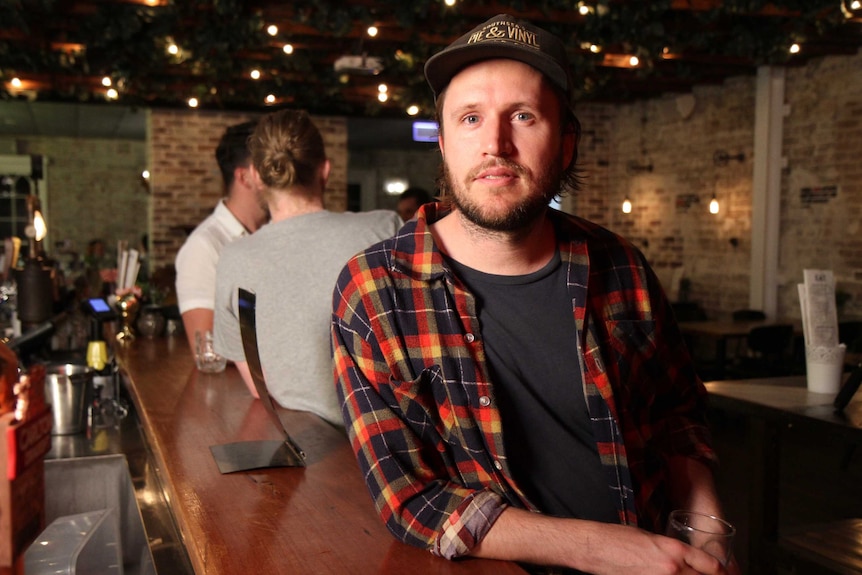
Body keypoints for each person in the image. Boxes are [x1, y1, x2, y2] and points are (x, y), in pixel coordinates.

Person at [331, 14, 736, 575]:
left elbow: (677, 419)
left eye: (523, 116)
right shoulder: (375, 290)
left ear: (566, 143)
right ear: (444, 145)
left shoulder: (622, 267)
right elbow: (411, 498)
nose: (495, 144)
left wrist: (708, 533)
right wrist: (606, 549)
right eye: (471, 118)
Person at [213, 109, 401, 426]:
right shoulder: (384, 228)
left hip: (308, 451)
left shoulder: (235, 258)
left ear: (257, 177)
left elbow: (261, 387)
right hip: (396, 439)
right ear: (324, 170)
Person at [175, 119, 268, 354]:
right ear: (245, 177)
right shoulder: (203, 247)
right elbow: (206, 351)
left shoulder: (275, 234)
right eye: (271, 167)